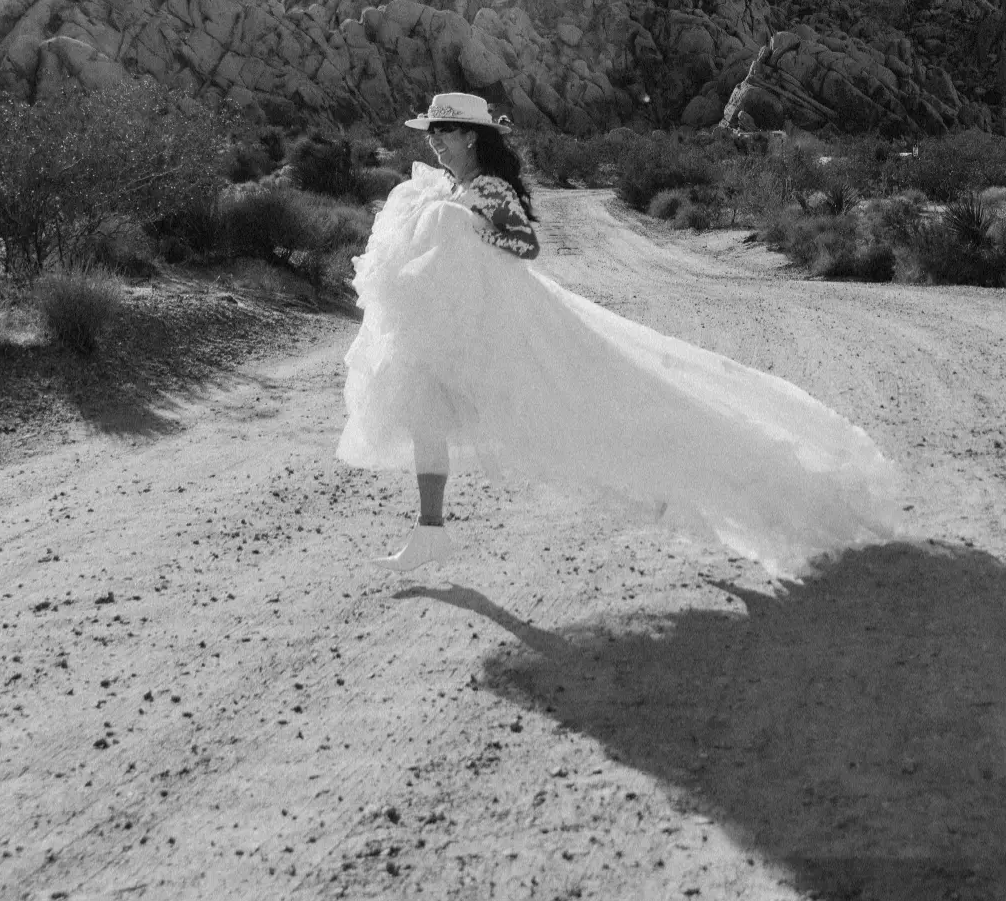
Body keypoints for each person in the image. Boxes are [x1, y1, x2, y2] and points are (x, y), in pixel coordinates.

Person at [338, 92, 899, 575]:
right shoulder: (446, 188)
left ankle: (674, 486)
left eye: (443, 131)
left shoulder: (488, 190)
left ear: (470, 136)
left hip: (511, 322)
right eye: (432, 132)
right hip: (465, 324)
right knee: (426, 410)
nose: (434, 141)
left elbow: (526, 246)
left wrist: (473, 229)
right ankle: (430, 530)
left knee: (587, 411)